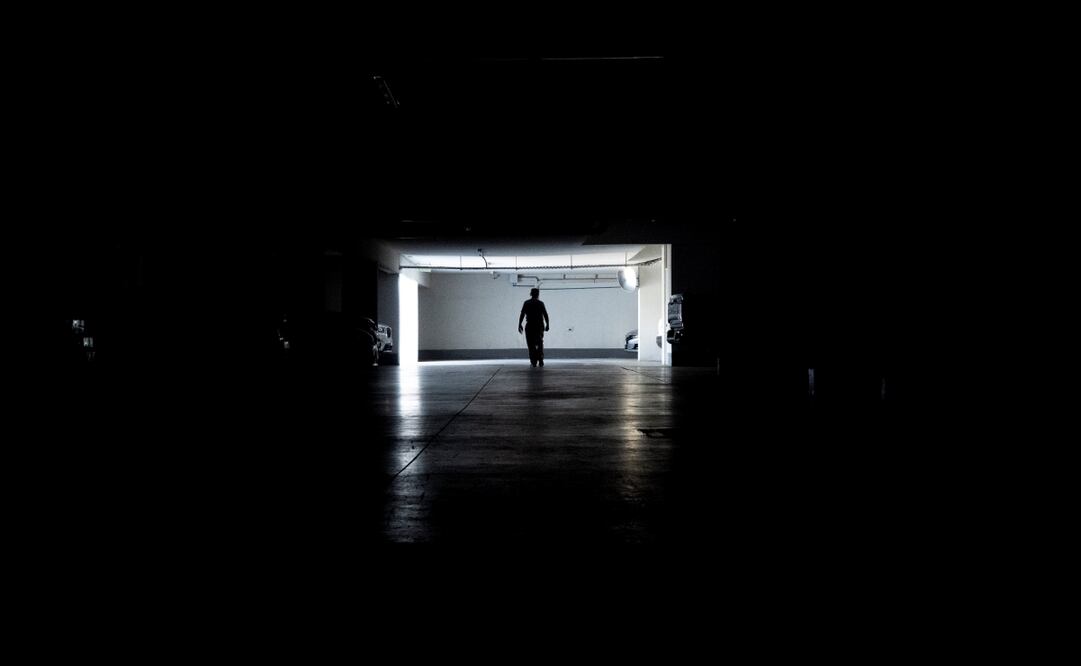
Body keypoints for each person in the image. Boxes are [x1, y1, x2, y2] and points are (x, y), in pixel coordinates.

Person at [518, 287, 549, 367]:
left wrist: (519, 324)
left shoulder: (527, 303)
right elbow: (545, 315)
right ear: (538, 294)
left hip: (530, 326)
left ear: (531, 294)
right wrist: (547, 324)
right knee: (539, 343)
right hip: (539, 326)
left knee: (530, 344)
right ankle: (541, 360)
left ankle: (533, 361)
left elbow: (522, 314)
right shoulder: (540, 303)